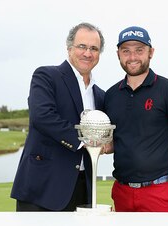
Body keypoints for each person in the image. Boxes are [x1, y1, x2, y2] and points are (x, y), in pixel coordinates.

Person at [10, 22, 105, 211]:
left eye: (94, 48)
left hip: (82, 189)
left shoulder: (100, 95)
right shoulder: (46, 76)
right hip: (42, 187)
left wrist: (107, 143)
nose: (88, 53)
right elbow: (42, 116)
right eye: (82, 47)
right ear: (69, 48)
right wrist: (84, 141)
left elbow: (105, 133)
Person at [103, 26, 168, 212]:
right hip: (122, 191)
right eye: (126, 51)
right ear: (118, 54)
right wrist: (100, 145)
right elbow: (114, 142)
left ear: (151, 52)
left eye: (139, 50)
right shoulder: (111, 95)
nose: (132, 56)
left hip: (159, 191)